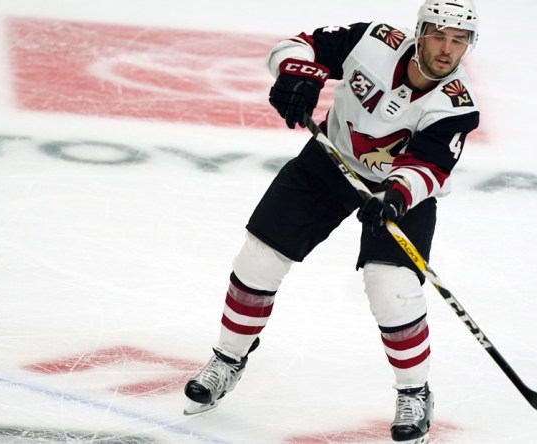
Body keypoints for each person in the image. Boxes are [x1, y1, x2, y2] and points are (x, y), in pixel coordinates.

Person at [183, 1, 480, 442]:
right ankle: (228, 359)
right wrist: (295, 74)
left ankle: (415, 392)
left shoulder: (457, 105)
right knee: (258, 258)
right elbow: (297, 46)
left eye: (459, 41)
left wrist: (395, 198)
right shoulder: (373, 41)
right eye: (439, 36)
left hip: (397, 194)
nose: (446, 50)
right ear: (419, 33)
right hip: (328, 160)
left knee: (391, 288)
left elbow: (429, 167)